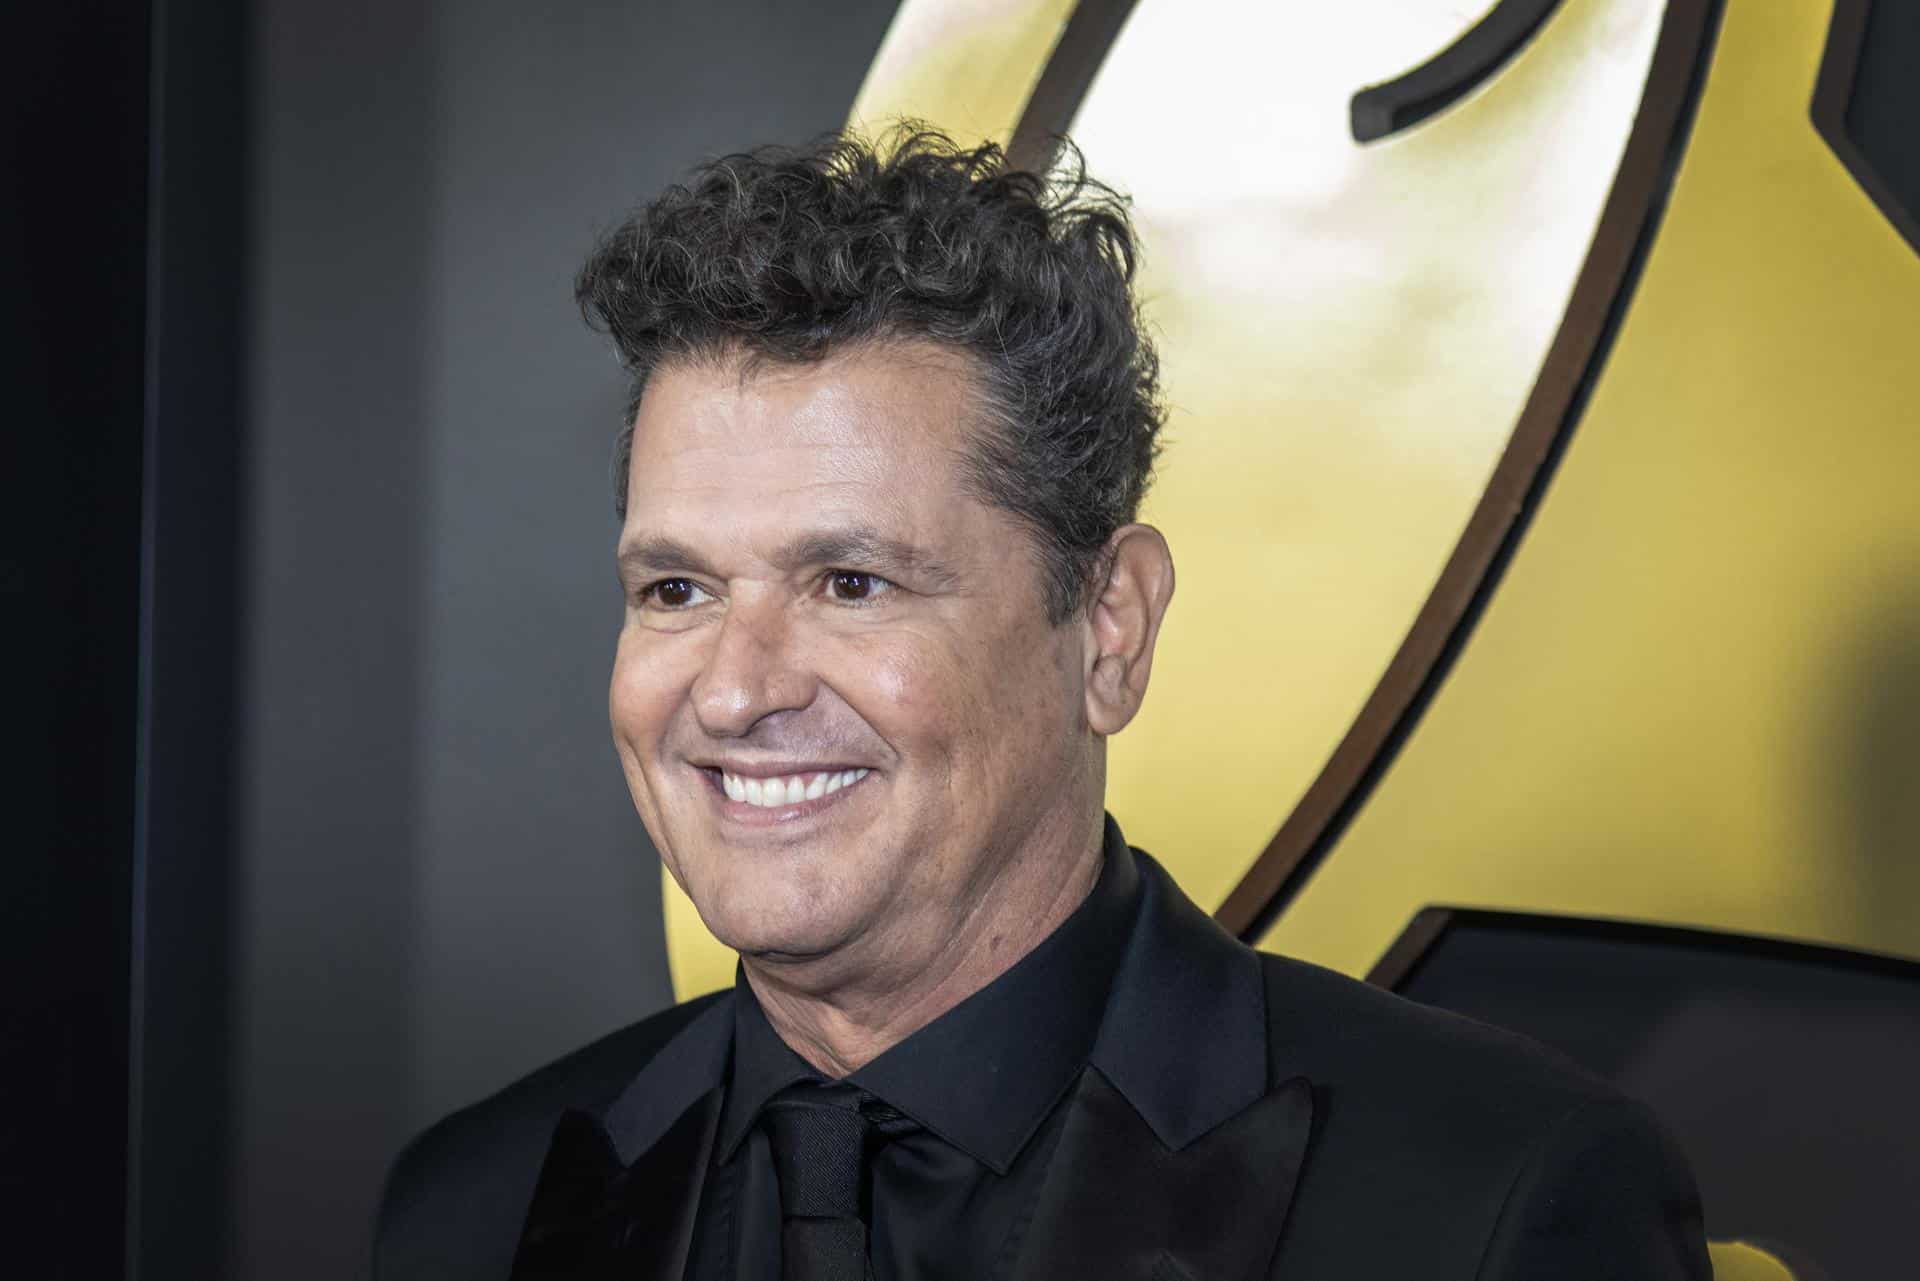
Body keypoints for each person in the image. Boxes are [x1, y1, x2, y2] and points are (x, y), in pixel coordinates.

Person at [374, 129, 1709, 1281]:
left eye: (850, 581)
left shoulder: (1496, 1204)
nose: (734, 686)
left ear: (1110, 628)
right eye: (676, 587)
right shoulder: (474, 1213)